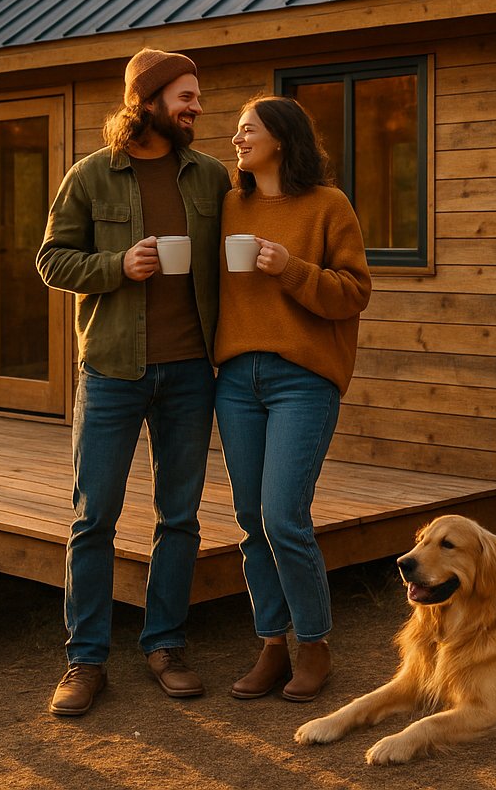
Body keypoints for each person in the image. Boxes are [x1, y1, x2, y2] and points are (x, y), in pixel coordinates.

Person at [35, 48, 230, 717]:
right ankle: (85, 661)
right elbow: (51, 260)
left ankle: (165, 646)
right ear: (145, 102)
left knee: (179, 519)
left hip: (190, 374)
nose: (196, 107)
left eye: (197, 97)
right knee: (94, 518)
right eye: (185, 96)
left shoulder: (210, 178)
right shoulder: (90, 176)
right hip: (112, 369)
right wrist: (118, 265)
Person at [213, 94, 371, 703]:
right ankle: (272, 645)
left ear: (281, 138)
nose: (237, 139)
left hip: (302, 380)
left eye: (247, 130)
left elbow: (354, 293)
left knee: (284, 516)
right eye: (236, 132)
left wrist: (290, 268)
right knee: (252, 520)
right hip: (235, 382)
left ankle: (315, 644)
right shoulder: (229, 205)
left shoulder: (329, 206)